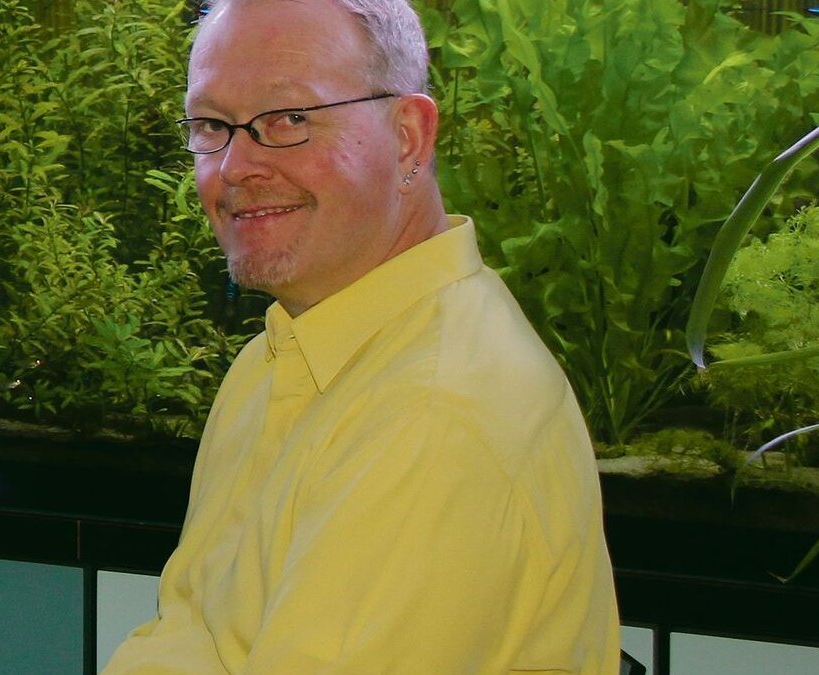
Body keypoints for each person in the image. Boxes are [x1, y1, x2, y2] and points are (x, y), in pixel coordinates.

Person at [103, 0, 621, 672]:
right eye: (212, 125)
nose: (234, 167)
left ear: (407, 135)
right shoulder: (279, 356)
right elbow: (187, 629)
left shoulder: (433, 418)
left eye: (288, 118)